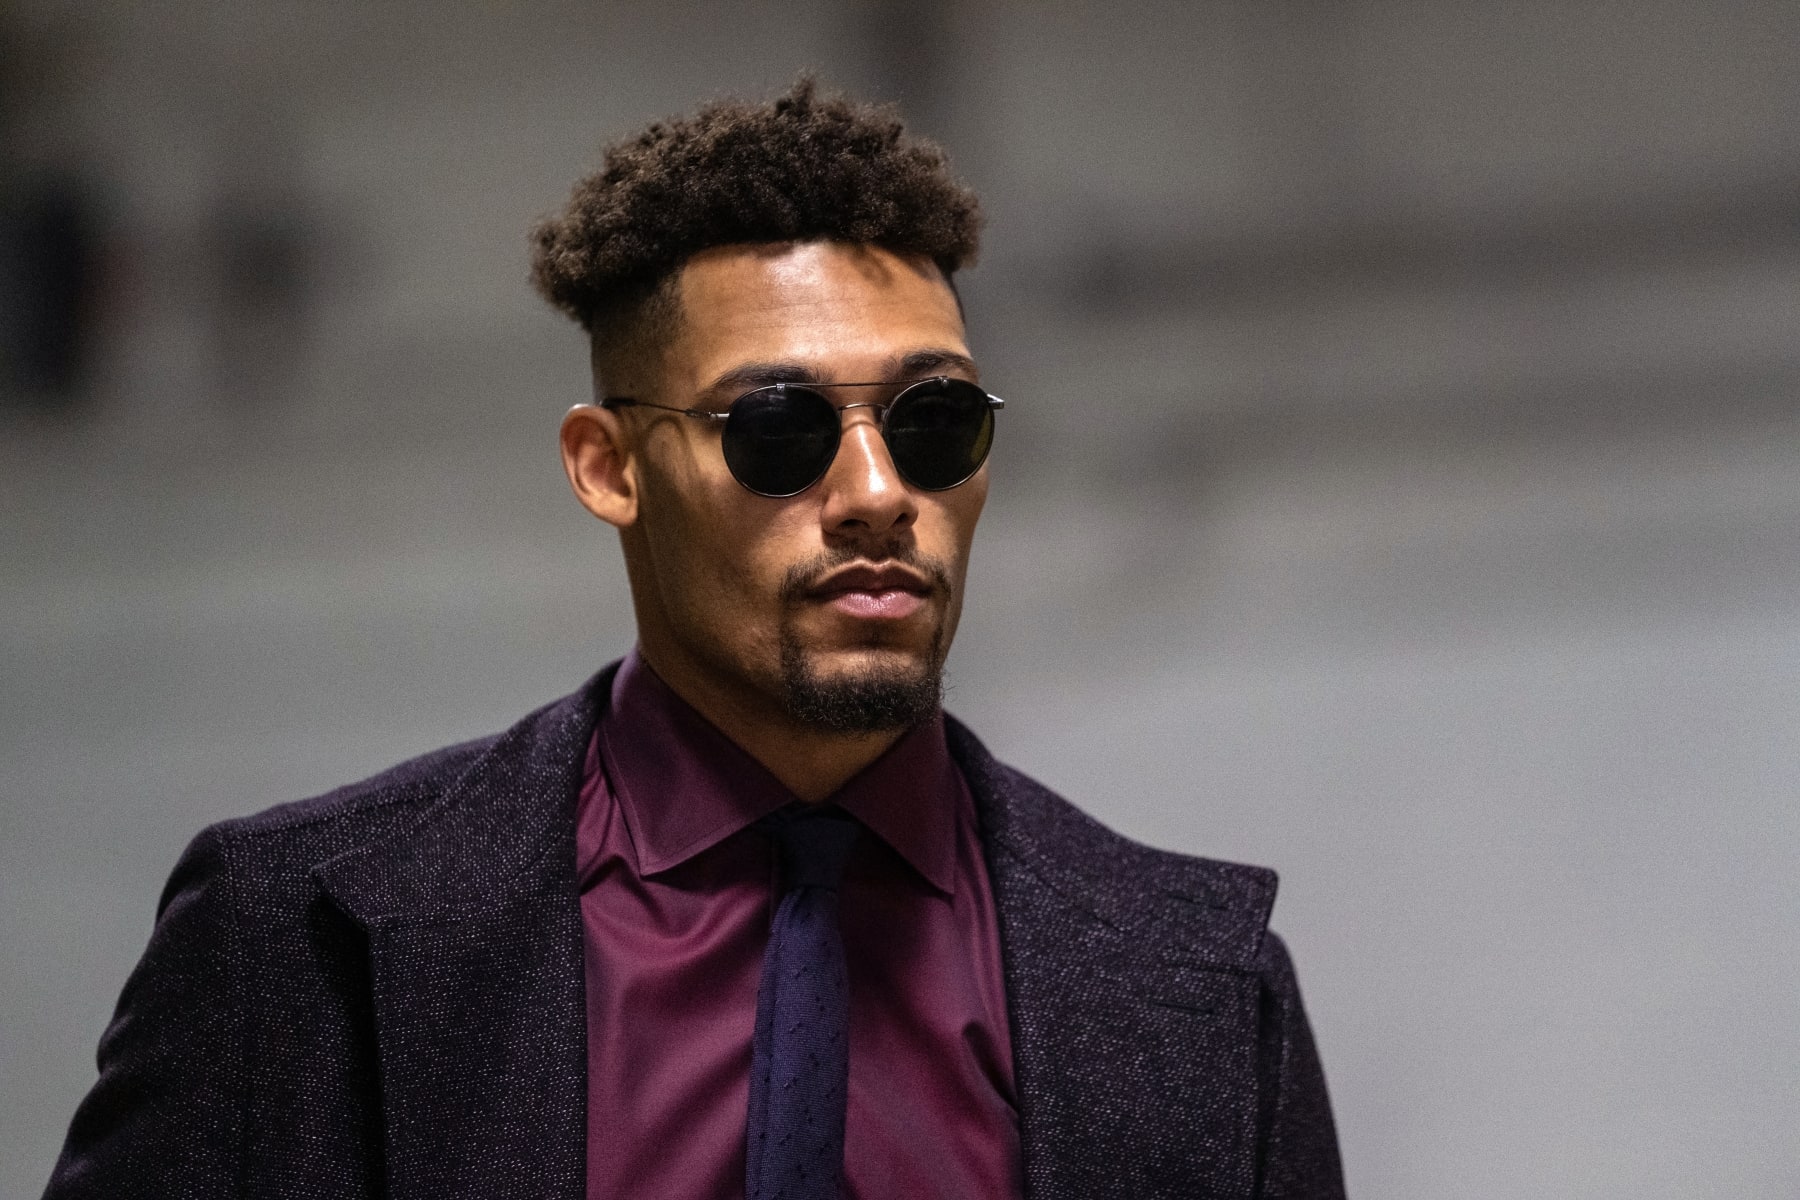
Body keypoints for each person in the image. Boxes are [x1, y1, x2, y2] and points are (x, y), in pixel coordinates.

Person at [43, 80, 1345, 1200]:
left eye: (935, 422)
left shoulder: (1201, 989)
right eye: (778, 429)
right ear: (607, 465)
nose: (880, 493)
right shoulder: (296, 948)